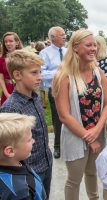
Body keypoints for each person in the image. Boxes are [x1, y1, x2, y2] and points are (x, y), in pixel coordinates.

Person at [52, 29, 107, 200]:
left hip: (97, 134)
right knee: (74, 180)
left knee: (93, 174)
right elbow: (64, 116)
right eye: (89, 45)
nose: (93, 48)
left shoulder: (99, 74)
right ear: (75, 47)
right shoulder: (64, 76)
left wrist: (97, 132)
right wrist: (89, 137)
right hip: (75, 136)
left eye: (95, 45)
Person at [0, 50, 53, 199]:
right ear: (17, 75)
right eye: (34, 73)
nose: (39, 77)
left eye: (40, 72)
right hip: (28, 170)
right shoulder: (11, 108)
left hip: (45, 162)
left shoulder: (35, 98)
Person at [0, 113, 47, 200]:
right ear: (10, 151)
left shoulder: (17, 161)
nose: (33, 141)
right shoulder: (20, 192)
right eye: (29, 139)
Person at [39, 26, 67, 159]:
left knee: (72, 116)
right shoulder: (44, 53)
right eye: (61, 34)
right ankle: (57, 146)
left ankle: (68, 144)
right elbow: (42, 73)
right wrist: (59, 73)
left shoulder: (68, 52)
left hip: (70, 88)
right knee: (58, 119)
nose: (64, 36)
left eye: (64, 34)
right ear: (53, 37)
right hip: (55, 90)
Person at [0, 32, 23, 105]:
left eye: (10, 41)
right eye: (6, 42)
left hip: (22, 87)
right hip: (8, 89)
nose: (8, 44)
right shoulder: (1, 59)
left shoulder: (24, 57)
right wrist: (6, 94)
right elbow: (1, 78)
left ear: (17, 42)